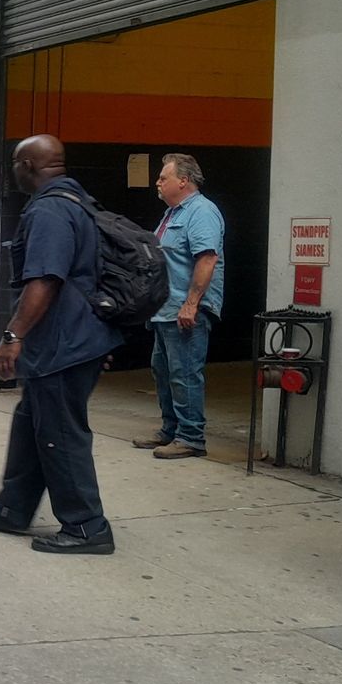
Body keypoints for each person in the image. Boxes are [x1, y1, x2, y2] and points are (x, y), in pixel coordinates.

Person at [0, 136, 122, 553]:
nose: (12, 171)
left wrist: (12, 336)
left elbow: (45, 280)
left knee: (60, 433)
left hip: (61, 345)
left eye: (15, 164)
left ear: (28, 166)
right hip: (74, 339)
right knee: (31, 424)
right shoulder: (79, 202)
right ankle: (12, 509)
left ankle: (87, 527)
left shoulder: (50, 210)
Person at [134, 153, 225, 460]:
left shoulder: (201, 212)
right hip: (166, 310)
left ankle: (191, 436)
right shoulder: (172, 214)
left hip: (185, 310)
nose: (158, 183)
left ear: (183, 181)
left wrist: (191, 304)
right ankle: (171, 429)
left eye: (164, 178)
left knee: (184, 372)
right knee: (163, 371)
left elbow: (207, 258)